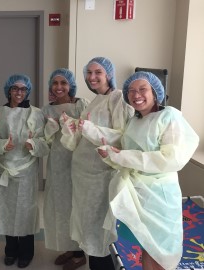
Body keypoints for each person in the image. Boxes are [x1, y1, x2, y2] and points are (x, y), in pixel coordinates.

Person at [97, 71, 199, 270]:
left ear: (155, 92)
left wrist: (122, 156)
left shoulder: (169, 116)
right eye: (132, 91)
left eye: (142, 89)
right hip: (139, 194)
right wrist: (112, 156)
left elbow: (171, 158)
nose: (136, 95)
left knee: (161, 250)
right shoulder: (134, 121)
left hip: (160, 197)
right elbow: (130, 156)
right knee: (146, 244)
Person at [60, 57, 134, 270]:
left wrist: (88, 128)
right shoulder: (95, 100)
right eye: (89, 73)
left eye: (97, 72)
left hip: (102, 175)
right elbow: (85, 135)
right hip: (84, 176)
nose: (92, 77)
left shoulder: (117, 98)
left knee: (101, 230)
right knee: (89, 227)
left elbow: (121, 137)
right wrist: (72, 127)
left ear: (109, 74)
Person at [0, 74, 49, 269]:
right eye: (15, 88)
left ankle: (26, 252)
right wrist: (2, 146)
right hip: (6, 169)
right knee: (7, 211)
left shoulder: (36, 114)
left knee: (26, 212)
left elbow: (44, 143)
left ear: (27, 91)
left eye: (23, 89)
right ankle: (10, 250)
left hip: (27, 171)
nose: (19, 93)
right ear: (8, 90)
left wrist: (33, 143)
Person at [42, 69, 89, 270]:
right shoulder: (47, 109)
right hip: (57, 163)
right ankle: (69, 247)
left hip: (77, 161)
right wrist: (50, 129)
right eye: (55, 83)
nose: (59, 87)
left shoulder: (81, 104)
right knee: (61, 207)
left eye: (63, 83)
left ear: (71, 85)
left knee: (75, 206)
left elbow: (87, 132)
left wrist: (72, 125)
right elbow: (45, 139)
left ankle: (80, 254)